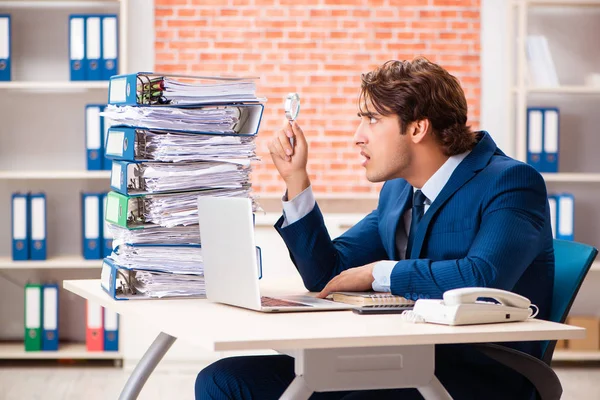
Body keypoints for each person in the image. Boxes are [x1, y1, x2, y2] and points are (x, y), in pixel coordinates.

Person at [195, 57, 554, 399]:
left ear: (417, 127)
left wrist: (379, 273)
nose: (358, 136)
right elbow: (327, 274)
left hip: (479, 372)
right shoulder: (398, 190)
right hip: (404, 357)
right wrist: (296, 180)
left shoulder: (510, 182)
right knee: (223, 381)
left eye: (372, 120)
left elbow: (485, 278)